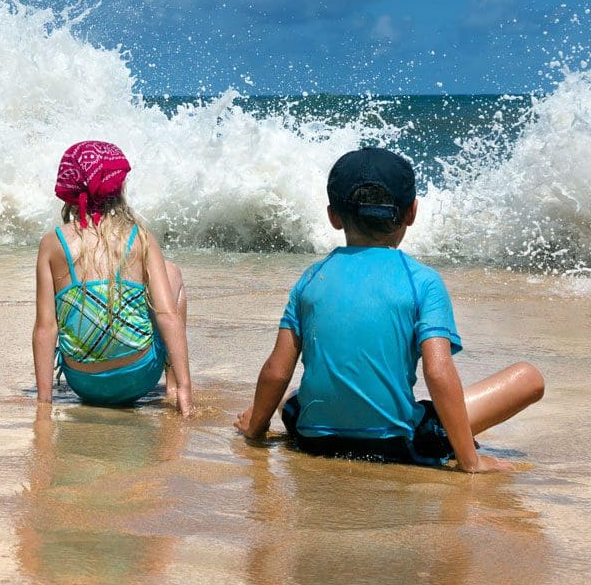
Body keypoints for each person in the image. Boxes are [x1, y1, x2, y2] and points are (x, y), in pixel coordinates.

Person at [234, 147, 544, 472]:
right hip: (395, 446)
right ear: (411, 212)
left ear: (333, 215)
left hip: (312, 439)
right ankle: (458, 444)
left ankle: (279, 412)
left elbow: (278, 371)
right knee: (528, 378)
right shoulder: (422, 281)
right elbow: (438, 373)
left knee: (295, 395)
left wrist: (255, 430)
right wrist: (471, 460)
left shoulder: (311, 278)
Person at [32, 140, 192, 416]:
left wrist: (44, 404)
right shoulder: (139, 237)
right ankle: (173, 386)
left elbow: (45, 328)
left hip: (83, 383)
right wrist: (187, 390)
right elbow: (166, 315)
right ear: (117, 185)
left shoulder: (52, 243)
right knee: (171, 272)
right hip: (139, 377)